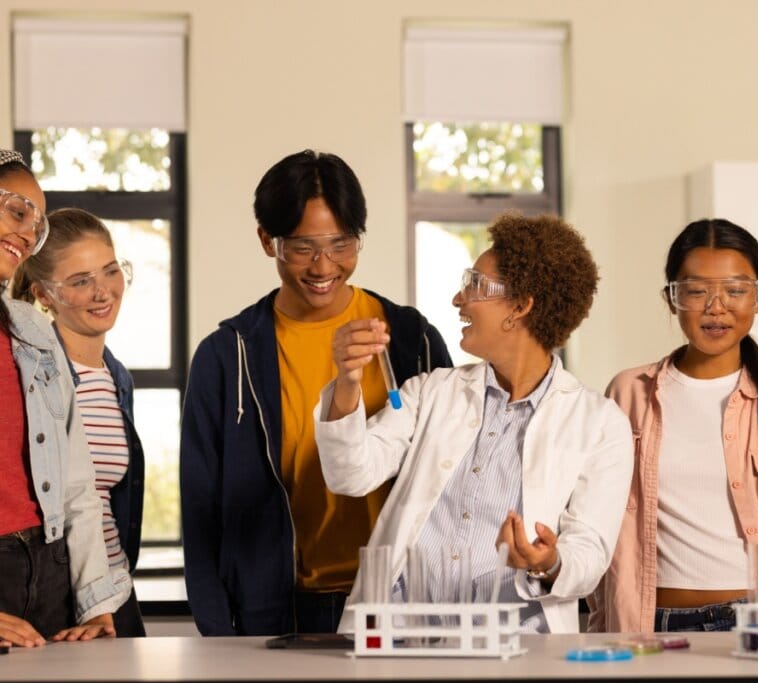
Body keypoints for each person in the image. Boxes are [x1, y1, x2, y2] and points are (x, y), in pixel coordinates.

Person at [314, 212, 633, 634]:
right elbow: (350, 475)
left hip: (516, 652)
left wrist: (548, 562)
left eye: (476, 285)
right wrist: (348, 382)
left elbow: (590, 555)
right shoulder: (432, 392)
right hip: (400, 644)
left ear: (520, 307)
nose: (458, 299)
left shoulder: (598, 423)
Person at [180, 149, 451, 636]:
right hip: (273, 613)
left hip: (398, 605)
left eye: (341, 244)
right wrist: (217, 633)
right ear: (269, 241)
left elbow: (450, 478)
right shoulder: (226, 356)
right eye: (303, 247)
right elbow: (200, 513)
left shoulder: (413, 341)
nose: (324, 265)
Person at [587, 218, 758, 634]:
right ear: (672, 299)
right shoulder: (628, 393)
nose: (716, 306)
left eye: (735, 290)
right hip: (651, 625)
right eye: (696, 291)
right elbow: (597, 515)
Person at [0, 149, 130, 647]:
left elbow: (77, 482)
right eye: (17, 211)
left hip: (51, 567)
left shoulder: (32, 329)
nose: (29, 232)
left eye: (37, 222)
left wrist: (96, 602)